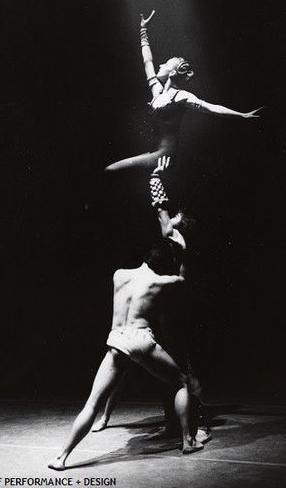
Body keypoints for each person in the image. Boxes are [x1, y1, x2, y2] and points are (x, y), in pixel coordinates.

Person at [48, 238, 204, 471]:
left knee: (92, 404)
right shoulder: (159, 282)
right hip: (140, 340)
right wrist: (181, 252)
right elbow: (183, 278)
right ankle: (188, 441)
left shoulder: (119, 275)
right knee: (181, 382)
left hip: (117, 340)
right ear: (162, 263)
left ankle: (61, 458)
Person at [93, 156, 206, 440]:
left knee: (180, 369)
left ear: (182, 224)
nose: (173, 217)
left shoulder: (175, 236)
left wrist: (156, 178)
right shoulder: (176, 238)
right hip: (165, 302)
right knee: (164, 367)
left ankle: (195, 425)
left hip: (170, 304)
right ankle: (178, 422)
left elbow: (160, 209)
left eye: (178, 217)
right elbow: (161, 209)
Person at [104, 10, 262, 175]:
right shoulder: (157, 91)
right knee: (114, 174)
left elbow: (212, 107)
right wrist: (143, 30)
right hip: (154, 153)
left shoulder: (180, 96)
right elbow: (147, 62)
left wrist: (242, 115)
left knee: (110, 170)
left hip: (165, 156)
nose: (160, 66)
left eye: (165, 64)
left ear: (172, 74)